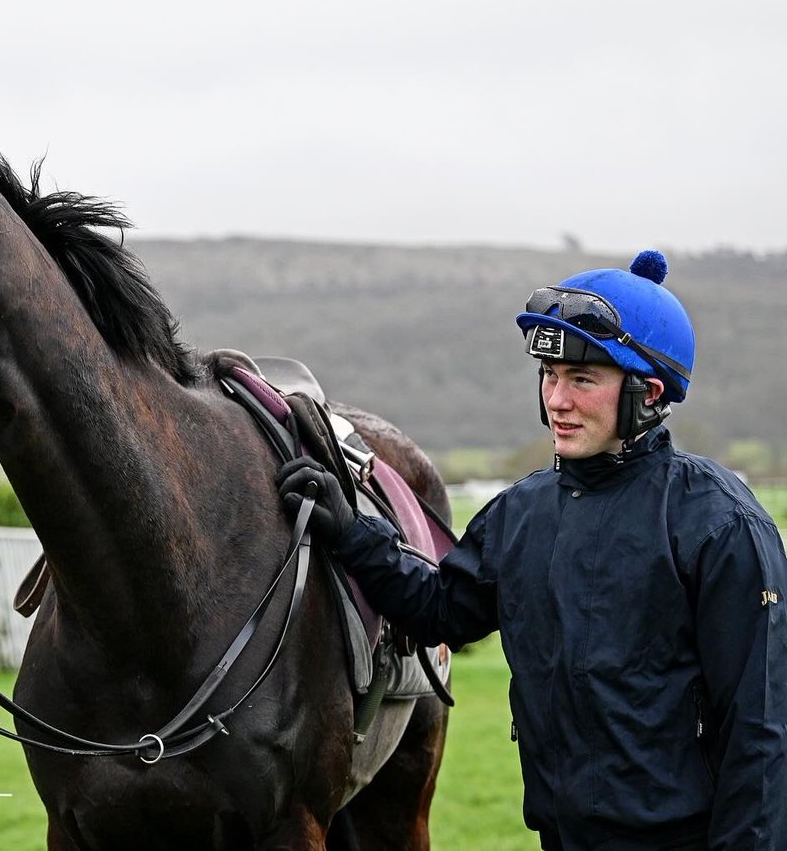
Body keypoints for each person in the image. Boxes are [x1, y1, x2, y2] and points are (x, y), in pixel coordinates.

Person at [277, 250, 787, 850]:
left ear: (648, 392)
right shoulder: (520, 513)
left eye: (582, 379)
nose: (557, 400)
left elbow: (761, 734)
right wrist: (353, 532)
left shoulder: (719, 524)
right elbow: (444, 612)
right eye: (549, 374)